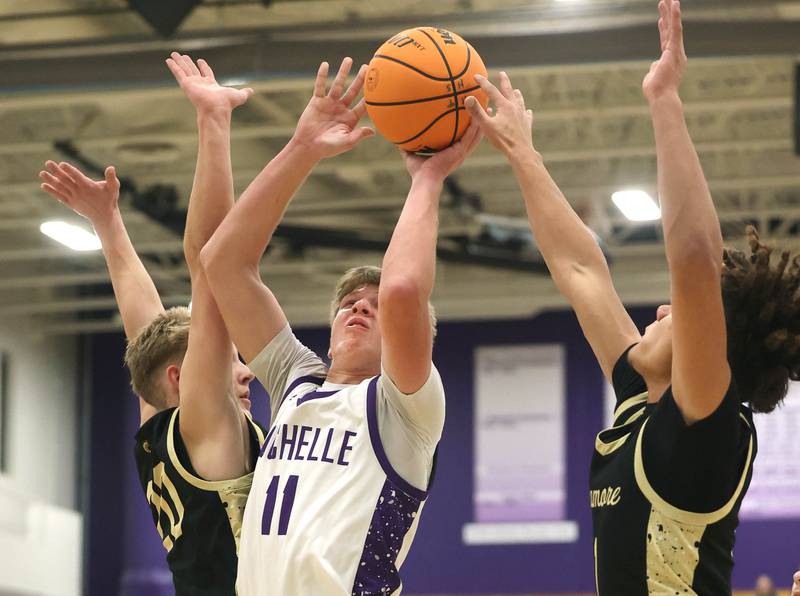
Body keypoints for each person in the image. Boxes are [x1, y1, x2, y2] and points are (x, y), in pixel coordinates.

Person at [464, 0, 798, 593]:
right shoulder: (639, 400)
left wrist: (665, 102)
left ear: (714, 344)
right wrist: (522, 153)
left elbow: (694, 259)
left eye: (684, 314)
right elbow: (580, 268)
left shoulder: (707, 430)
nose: (664, 310)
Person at [199, 57, 481, 595]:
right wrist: (301, 148)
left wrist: (427, 179)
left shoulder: (408, 409)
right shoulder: (295, 381)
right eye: (350, 301)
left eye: (373, 307)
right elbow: (223, 263)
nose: (360, 307)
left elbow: (403, 294)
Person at [39, 53, 264, 596]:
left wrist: (109, 225)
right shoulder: (204, 425)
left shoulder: (162, 421)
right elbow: (212, 264)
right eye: (225, 359)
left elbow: (147, 328)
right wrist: (214, 123)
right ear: (183, 382)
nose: (246, 373)